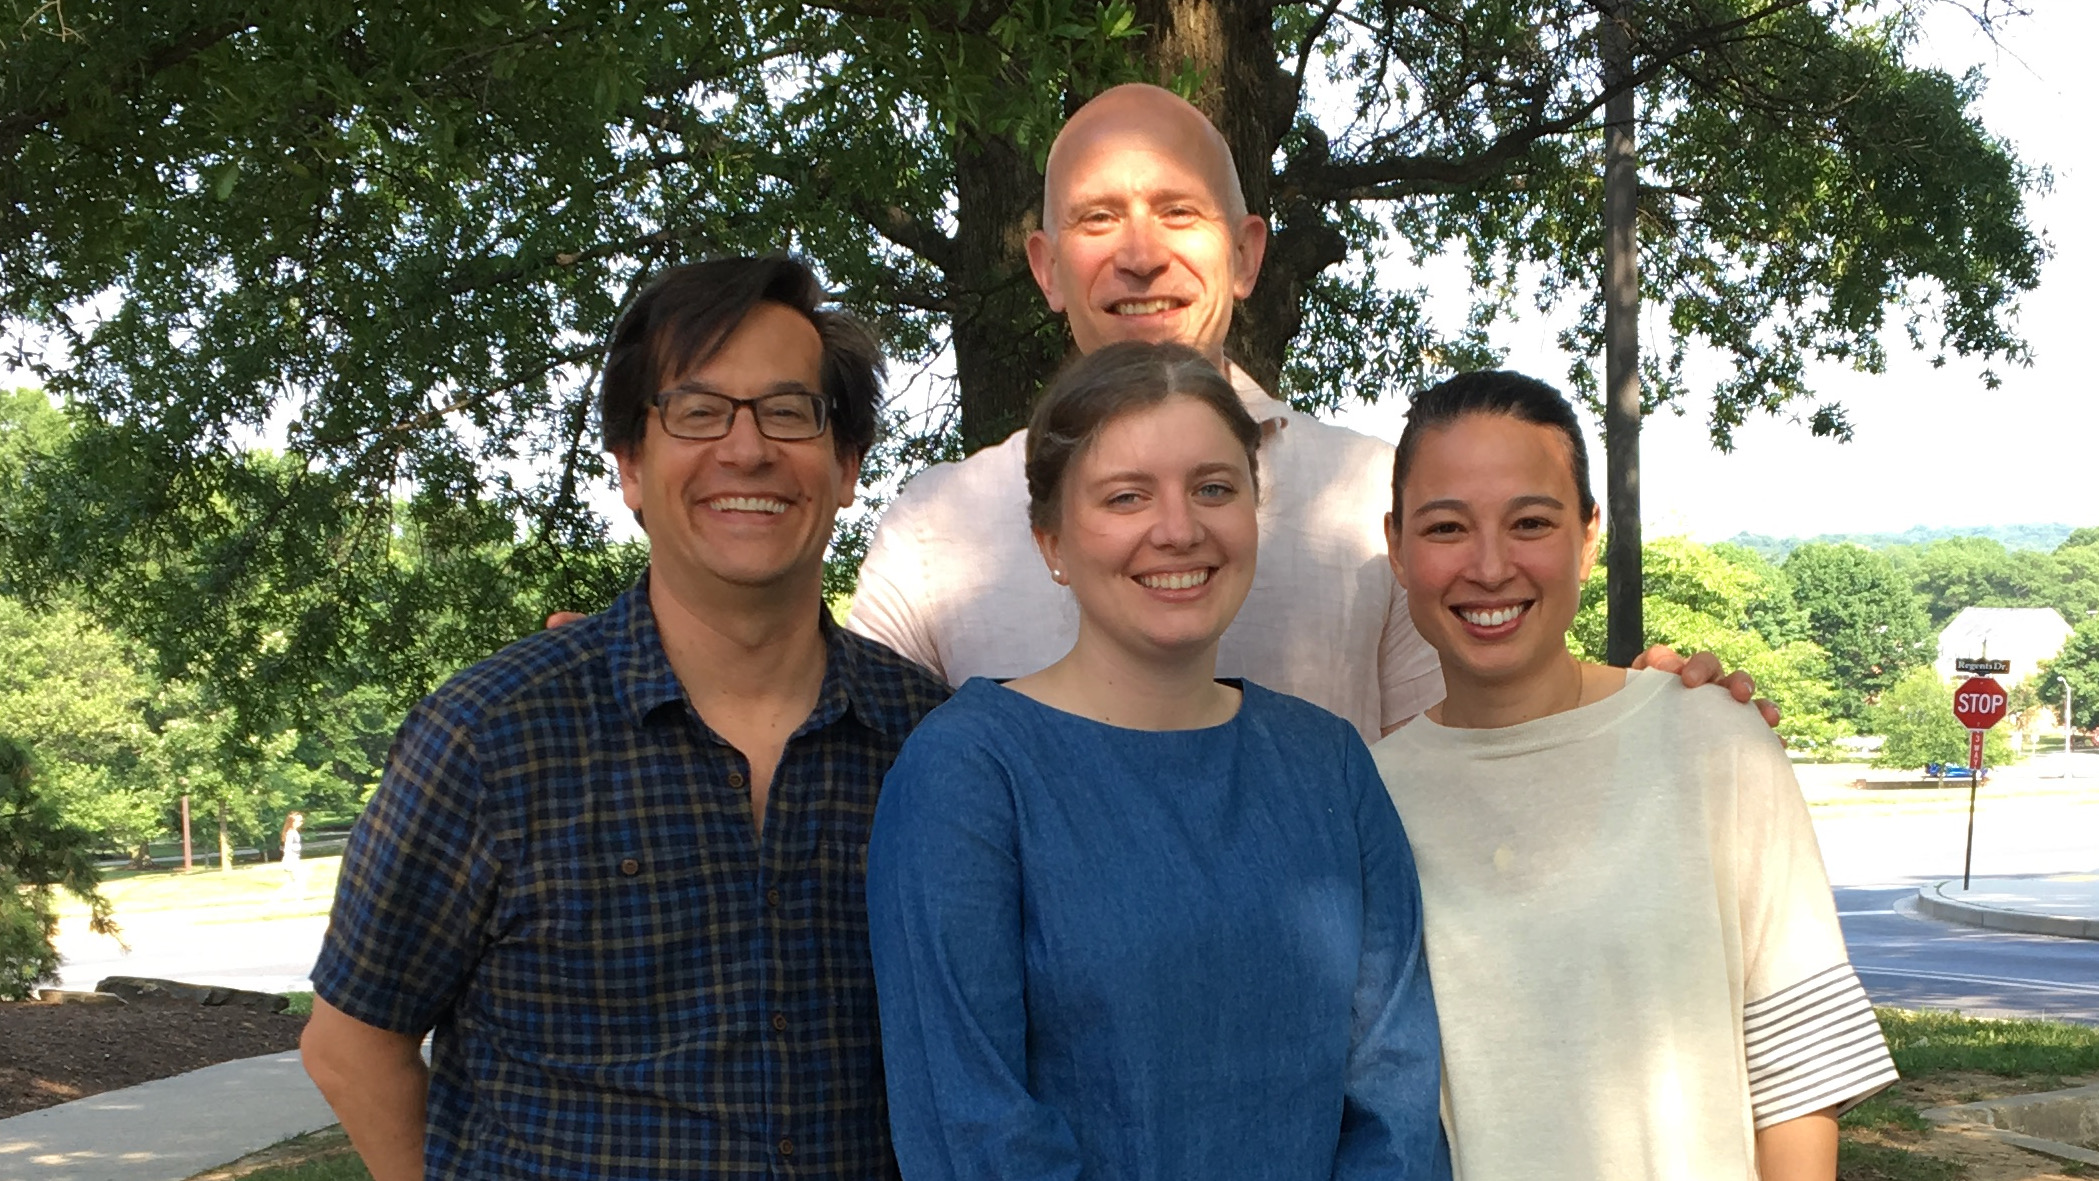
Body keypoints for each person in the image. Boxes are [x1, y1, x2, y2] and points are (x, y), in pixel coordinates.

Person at [846, 82, 1766, 741]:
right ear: (1045, 267)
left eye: (1177, 212)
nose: (1138, 255)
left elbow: (1482, 744)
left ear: (1246, 255)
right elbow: (841, 755)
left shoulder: (1376, 499)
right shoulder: (939, 526)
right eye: (1096, 220)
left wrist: (1649, 716)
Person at [300, 256, 951, 1181]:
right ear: (632, 467)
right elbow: (350, 1043)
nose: (746, 448)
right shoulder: (490, 737)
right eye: (697, 411)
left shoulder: (934, 742)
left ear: (845, 465)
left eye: (788, 410)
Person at [867, 341, 1451, 1181]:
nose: (1177, 529)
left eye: (1213, 488)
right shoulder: (966, 774)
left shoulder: (1328, 764)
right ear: (1050, 540)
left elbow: (1392, 1098)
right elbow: (973, 1129)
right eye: (1125, 496)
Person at [1370, 371, 1896, 1180]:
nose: (1488, 565)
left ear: (1586, 536)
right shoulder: (1363, 798)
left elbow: (1797, 1081)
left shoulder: (1712, 741)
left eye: (1530, 522)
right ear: (1397, 548)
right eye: (1445, 527)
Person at [276, 811, 306, 896]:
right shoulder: (290, 833)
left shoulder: (294, 832)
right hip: (292, 859)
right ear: (292, 822)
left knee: (295, 880)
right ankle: (279, 896)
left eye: (301, 821)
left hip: (294, 858)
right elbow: (287, 847)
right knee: (297, 880)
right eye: (299, 821)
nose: (301, 823)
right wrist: (287, 859)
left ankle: (298, 897)